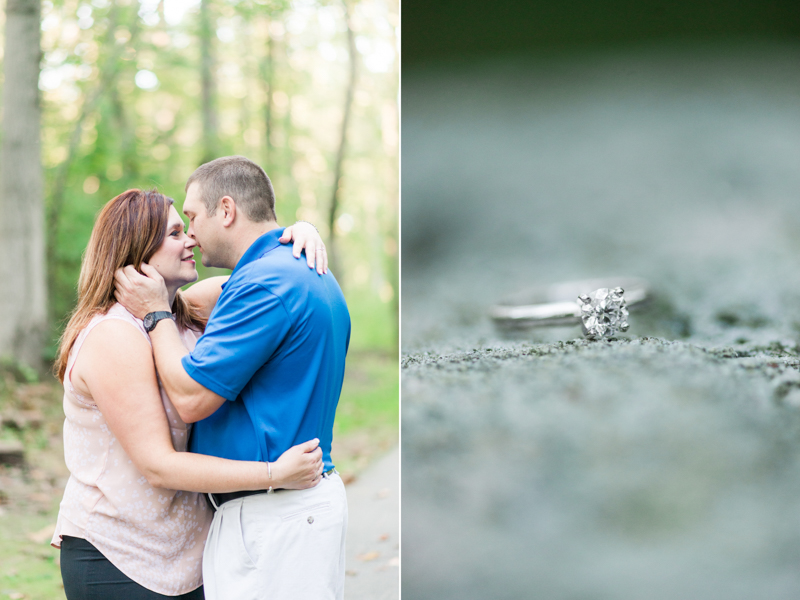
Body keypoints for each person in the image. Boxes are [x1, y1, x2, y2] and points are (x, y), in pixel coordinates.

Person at [51, 188, 329, 599]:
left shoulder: (184, 309)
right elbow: (159, 466)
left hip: (189, 555)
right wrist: (275, 475)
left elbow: (267, 278)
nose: (192, 240)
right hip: (117, 557)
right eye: (176, 233)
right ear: (138, 253)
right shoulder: (113, 336)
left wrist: (300, 233)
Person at [114, 156, 350, 600]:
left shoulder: (265, 285)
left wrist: (154, 314)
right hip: (281, 511)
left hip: (277, 515)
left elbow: (191, 398)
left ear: (226, 210)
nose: (191, 235)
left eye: (192, 217)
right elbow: (195, 302)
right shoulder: (283, 270)